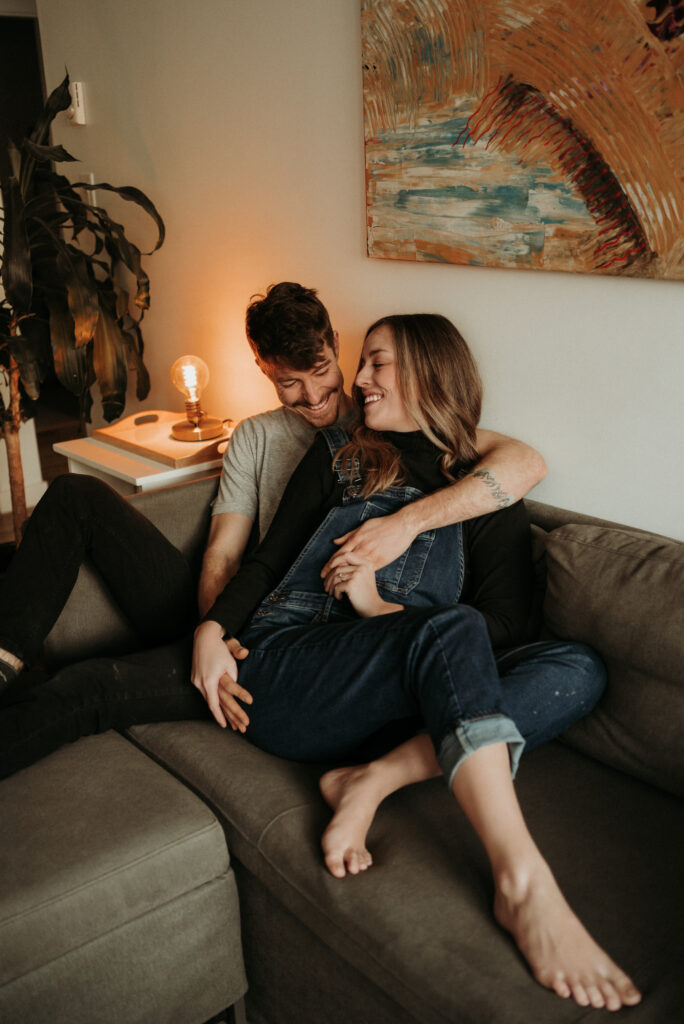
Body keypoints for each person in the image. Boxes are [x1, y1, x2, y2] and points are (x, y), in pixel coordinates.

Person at [192, 313, 641, 1012]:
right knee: (450, 631)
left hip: (413, 709)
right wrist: (213, 628)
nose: (357, 381)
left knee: (579, 665)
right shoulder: (341, 456)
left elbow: (505, 630)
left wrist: (379, 602)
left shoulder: (487, 493)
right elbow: (270, 560)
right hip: (315, 683)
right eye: (361, 364)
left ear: (430, 374)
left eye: (376, 364)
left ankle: (374, 778)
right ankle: (522, 882)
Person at [198, 282, 547, 617]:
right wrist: (216, 636)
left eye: (321, 372)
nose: (314, 396)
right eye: (289, 383)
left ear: (335, 344)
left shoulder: (386, 427)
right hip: (275, 608)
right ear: (263, 369)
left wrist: (405, 524)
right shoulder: (256, 436)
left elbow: (524, 463)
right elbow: (225, 556)